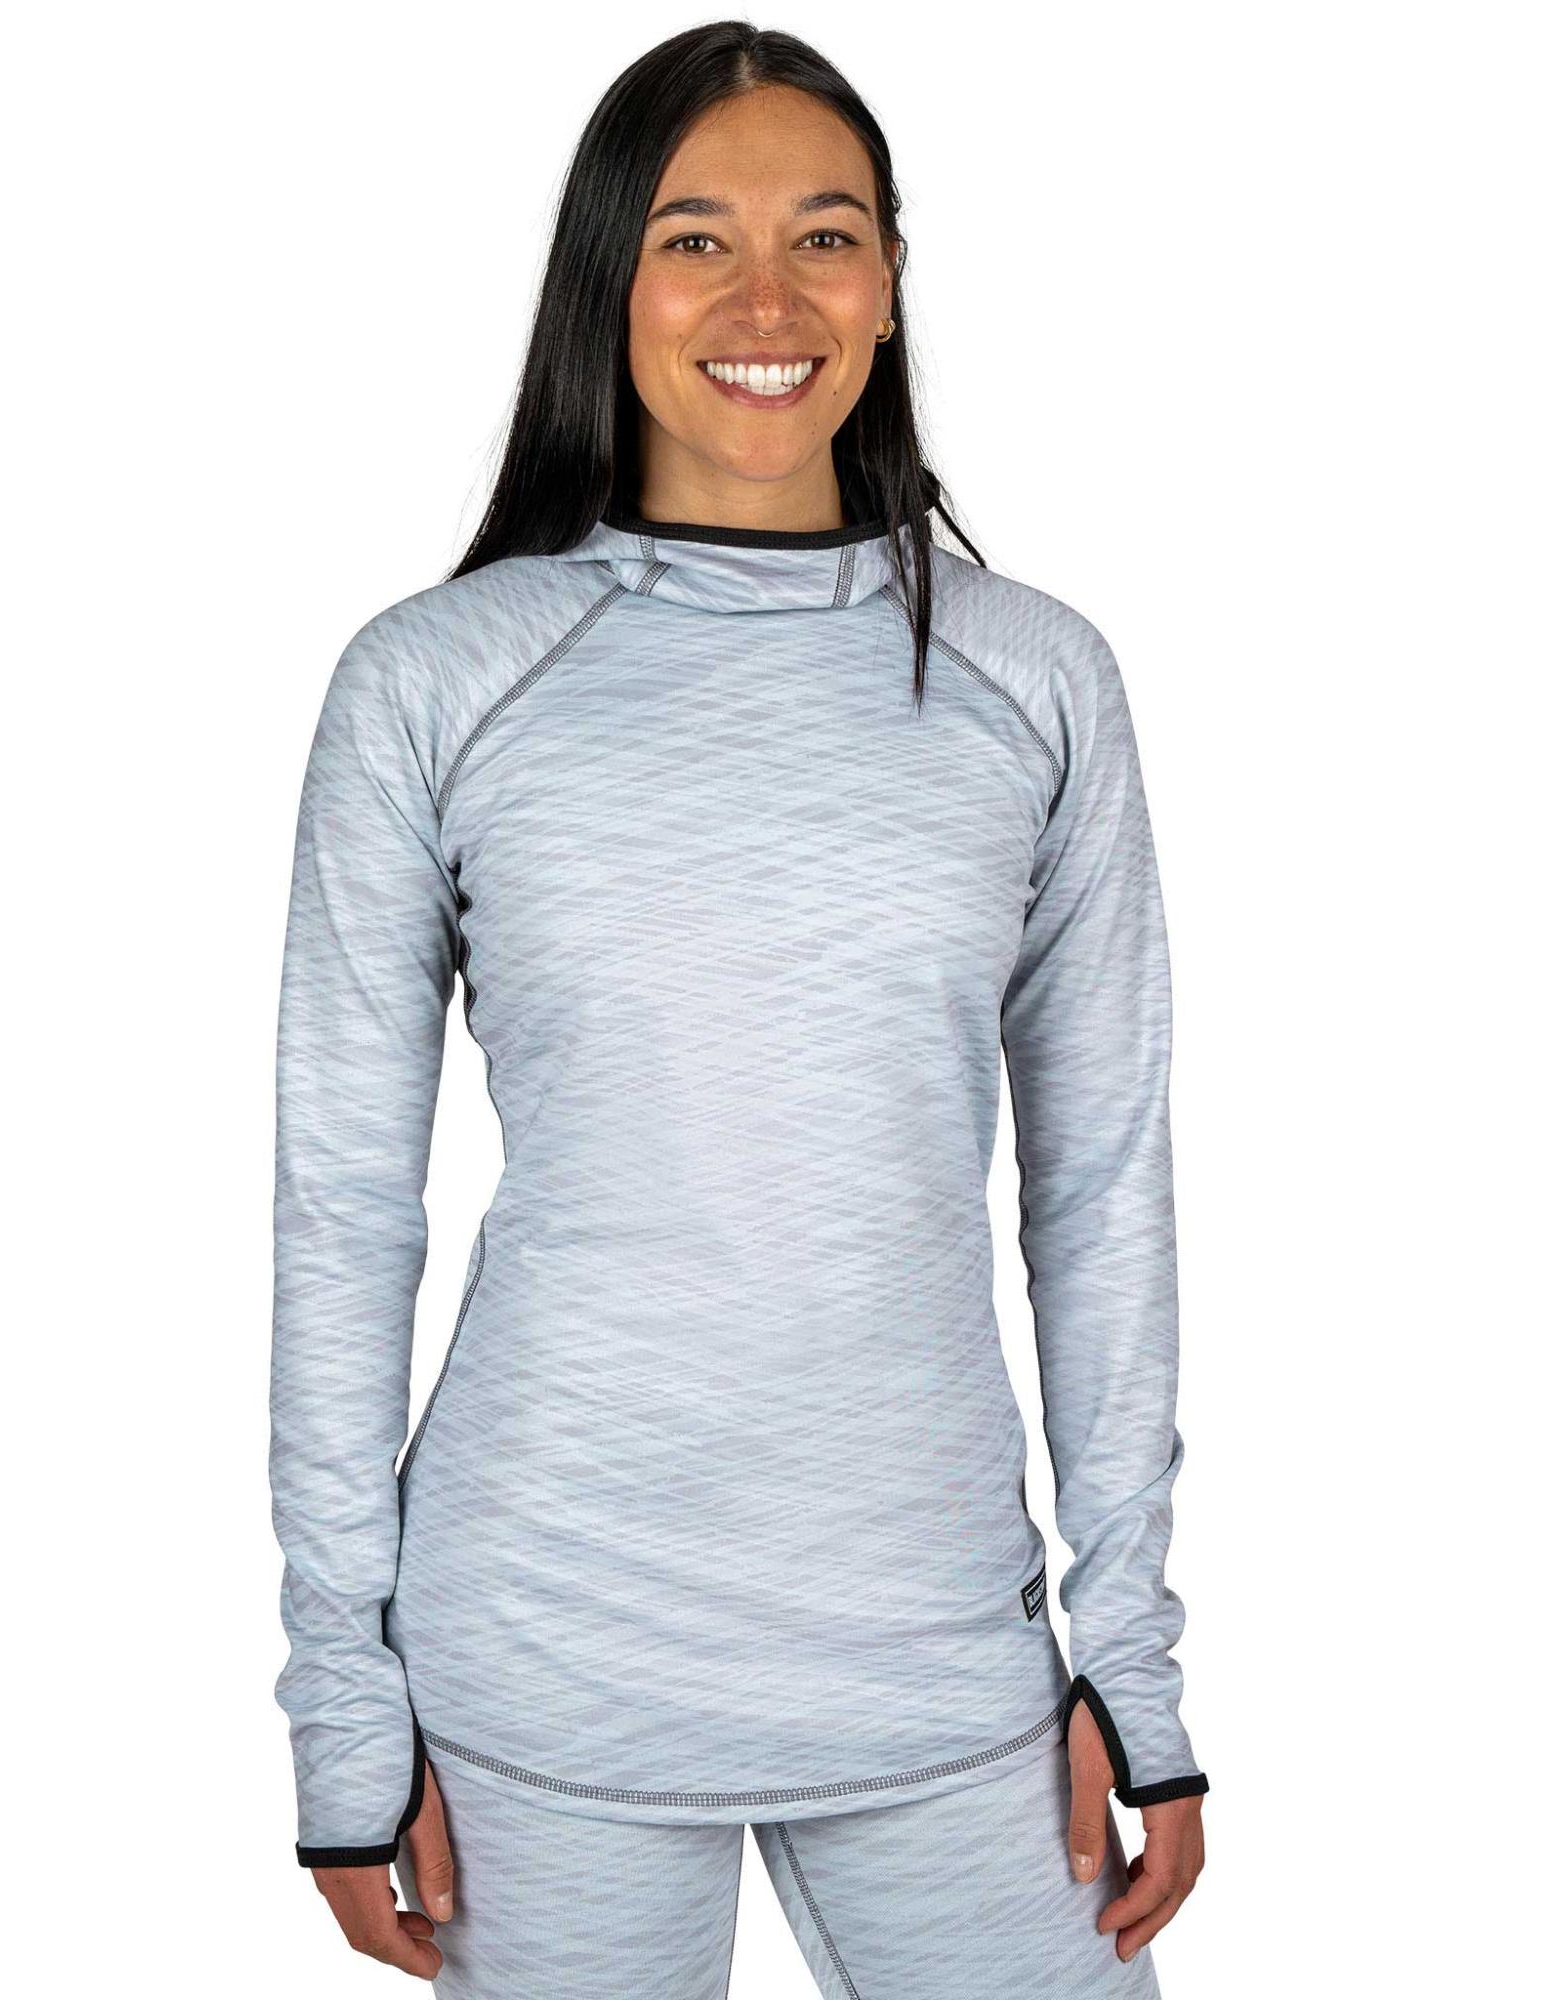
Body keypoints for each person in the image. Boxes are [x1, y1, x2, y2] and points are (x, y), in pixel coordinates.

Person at [270, 21, 1209, 1995]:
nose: (767, 302)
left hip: (942, 1657)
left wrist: (1126, 1649)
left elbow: (1101, 1192)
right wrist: (341, 1692)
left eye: (825, 238)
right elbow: (344, 1214)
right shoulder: (436, 682)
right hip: (542, 1666)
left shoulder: (1038, 680)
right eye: (695, 240)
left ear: (889, 282)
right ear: (605, 279)